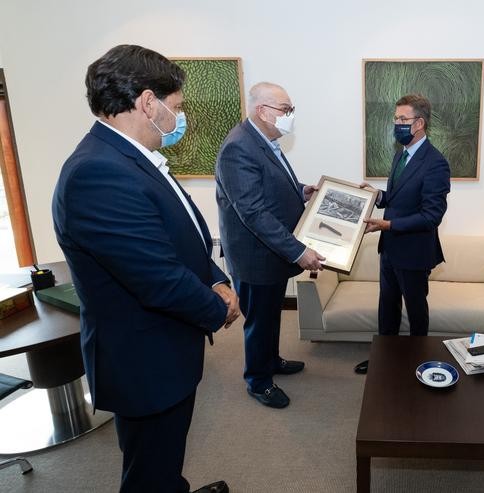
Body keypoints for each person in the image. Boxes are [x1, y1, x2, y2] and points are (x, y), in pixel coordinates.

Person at [52, 45, 239, 493]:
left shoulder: (128, 156)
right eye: (175, 107)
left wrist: (217, 278)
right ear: (148, 102)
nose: (179, 118)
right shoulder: (97, 173)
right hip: (144, 360)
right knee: (148, 471)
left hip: (165, 348)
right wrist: (220, 309)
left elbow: (181, 235)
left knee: (165, 457)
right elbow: (157, 279)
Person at [215, 82, 324, 409]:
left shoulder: (263, 140)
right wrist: (299, 251)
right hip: (254, 256)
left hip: (271, 253)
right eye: (285, 110)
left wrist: (302, 190)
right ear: (262, 111)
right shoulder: (238, 148)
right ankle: (258, 381)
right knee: (259, 320)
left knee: (270, 314)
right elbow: (253, 212)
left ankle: (271, 360)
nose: (290, 116)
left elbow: (271, 186)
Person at [354, 94, 451, 374]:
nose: (397, 124)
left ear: (419, 123)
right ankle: (384, 358)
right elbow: (398, 198)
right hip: (390, 248)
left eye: (402, 119)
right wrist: (377, 196)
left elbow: (432, 215)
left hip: (414, 251)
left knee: (416, 311)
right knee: (387, 306)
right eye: (396, 119)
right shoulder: (401, 154)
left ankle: (419, 361)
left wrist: (389, 225)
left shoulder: (436, 163)